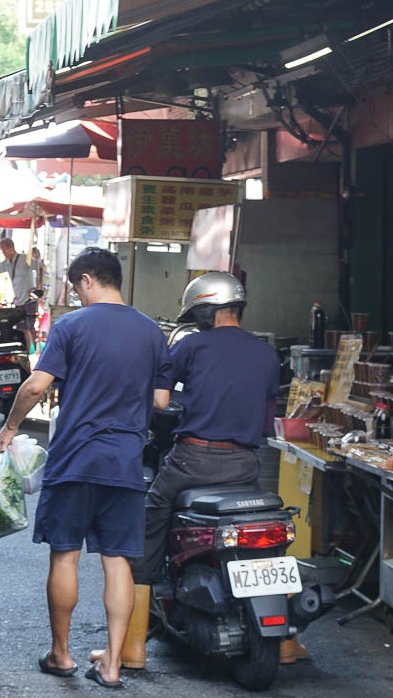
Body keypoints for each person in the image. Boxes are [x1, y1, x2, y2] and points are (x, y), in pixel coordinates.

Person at [0, 247, 172, 689]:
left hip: (75, 457)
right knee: (118, 562)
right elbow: (162, 401)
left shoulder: (71, 325)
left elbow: (36, 384)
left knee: (66, 554)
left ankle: (62, 654)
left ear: (87, 279)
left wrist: (10, 427)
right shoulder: (152, 332)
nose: (76, 297)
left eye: (76, 289)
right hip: (126, 461)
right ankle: (112, 664)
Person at [118, 270, 280, 671]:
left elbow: (159, 402)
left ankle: (134, 649)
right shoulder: (267, 353)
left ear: (206, 311)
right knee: (267, 536)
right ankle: (290, 646)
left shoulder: (192, 347)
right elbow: (264, 423)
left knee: (149, 522)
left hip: (192, 461)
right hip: (244, 466)